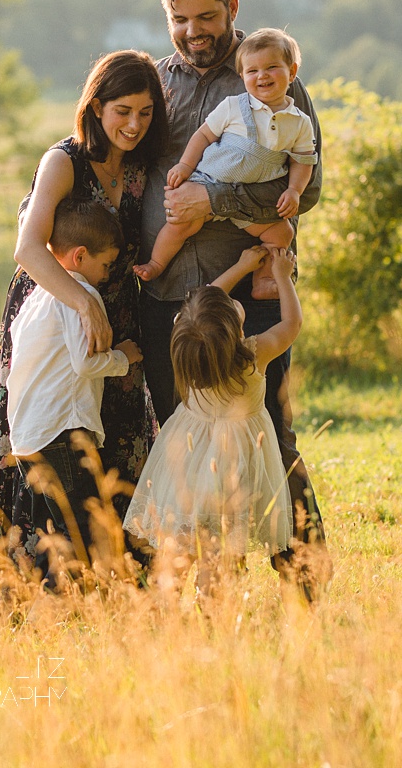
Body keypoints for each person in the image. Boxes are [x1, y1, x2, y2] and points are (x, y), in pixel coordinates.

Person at [138, 0, 331, 600]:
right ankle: (210, 596)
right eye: (179, 18)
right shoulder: (158, 82)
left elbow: (308, 189)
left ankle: (308, 585)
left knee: (267, 438)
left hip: (248, 301)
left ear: (233, 9)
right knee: (188, 448)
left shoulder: (267, 76)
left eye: (205, 16)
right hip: (170, 305)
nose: (193, 31)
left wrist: (215, 202)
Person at [0, 50, 168, 606]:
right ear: (95, 106)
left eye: (146, 113)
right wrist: (82, 301)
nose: (133, 124)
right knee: (44, 445)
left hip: (117, 313)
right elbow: (28, 247)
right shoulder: (64, 160)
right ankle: (26, 593)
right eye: (123, 110)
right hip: (54, 309)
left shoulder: (145, 164)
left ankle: (119, 587)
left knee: (119, 441)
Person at [124, 247, 300, 598]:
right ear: (235, 332)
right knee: (222, 554)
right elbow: (292, 324)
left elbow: (202, 301)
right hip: (233, 468)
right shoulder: (253, 355)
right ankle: (215, 611)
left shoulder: (186, 348)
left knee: (181, 543)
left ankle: (164, 605)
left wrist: (239, 264)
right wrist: (282, 274)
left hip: (187, 464)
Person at [6, 199, 143, 589]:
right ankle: (53, 607)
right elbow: (85, 363)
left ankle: (52, 608)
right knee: (81, 532)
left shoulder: (34, 300)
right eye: (105, 265)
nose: (106, 275)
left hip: (28, 435)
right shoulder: (78, 295)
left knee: (55, 530)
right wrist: (123, 358)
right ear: (80, 256)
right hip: (61, 432)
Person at [134, 28, 317, 301]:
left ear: (291, 73)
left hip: (246, 201)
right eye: (252, 71)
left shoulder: (299, 122)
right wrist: (185, 167)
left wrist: (294, 190)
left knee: (282, 233)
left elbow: (303, 161)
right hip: (208, 179)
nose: (262, 75)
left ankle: (264, 278)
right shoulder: (233, 106)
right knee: (179, 225)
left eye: (271, 68)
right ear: (242, 76)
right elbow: (203, 135)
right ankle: (156, 264)